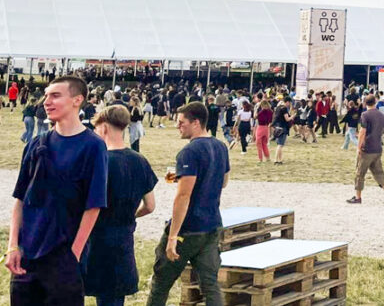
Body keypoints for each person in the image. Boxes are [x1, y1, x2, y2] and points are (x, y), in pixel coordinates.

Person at [7, 76, 108, 305]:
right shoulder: (36, 144)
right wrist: (13, 245)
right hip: (27, 256)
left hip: (63, 256)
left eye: (55, 95)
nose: (46, 101)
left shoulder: (93, 146)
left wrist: (75, 254)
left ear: (77, 100)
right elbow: (20, 199)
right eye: (46, 96)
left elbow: (94, 205)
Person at [147, 102, 230, 306]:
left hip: (188, 229)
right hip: (211, 226)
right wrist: (187, 177)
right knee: (210, 285)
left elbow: (183, 196)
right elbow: (224, 182)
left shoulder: (189, 152)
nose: (178, 126)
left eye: (181, 122)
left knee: (161, 283)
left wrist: (173, 236)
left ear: (196, 123)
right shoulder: (220, 146)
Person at [86, 106, 158, 306]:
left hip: (97, 237)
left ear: (105, 128)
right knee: (115, 297)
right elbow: (150, 206)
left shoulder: (100, 162)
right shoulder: (140, 161)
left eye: (97, 128)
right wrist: (130, 215)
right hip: (124, 236)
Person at [346, 95, 384, 205]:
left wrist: (359, 147)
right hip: (377, 148)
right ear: (375, 102)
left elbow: (363, 131)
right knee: (378, 172)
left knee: (360, 173)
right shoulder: (381, 115)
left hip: (367, 149)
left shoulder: (365, 115)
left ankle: (358, 197)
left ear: (365, 103)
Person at [271, 98, 294, 165]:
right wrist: (292, 116)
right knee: (280, 145)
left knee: (279, 144)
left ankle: (280, 160)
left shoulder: (278, 108)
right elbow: (287, 119)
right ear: (287, 102)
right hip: (283, 128)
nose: (289, 104)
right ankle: (276, 160)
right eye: (289, 103)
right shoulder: (284, 109)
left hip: (277, 127)